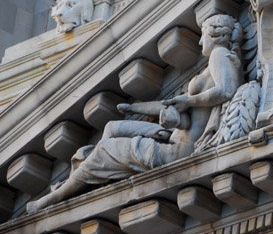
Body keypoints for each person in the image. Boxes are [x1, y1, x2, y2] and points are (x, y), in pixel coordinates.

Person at [26, 14, 243, 212]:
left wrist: (188, 100)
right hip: (170, 137)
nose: (199, 41)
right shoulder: (214, 61)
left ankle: (54, 197)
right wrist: (134, 108)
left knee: (104, 149)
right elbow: (170, 105)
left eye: (203, 34)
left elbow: (226, 90)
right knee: (112, 127)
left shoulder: (219, 54)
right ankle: (82, 176)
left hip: (177, 151)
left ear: (215, 35)